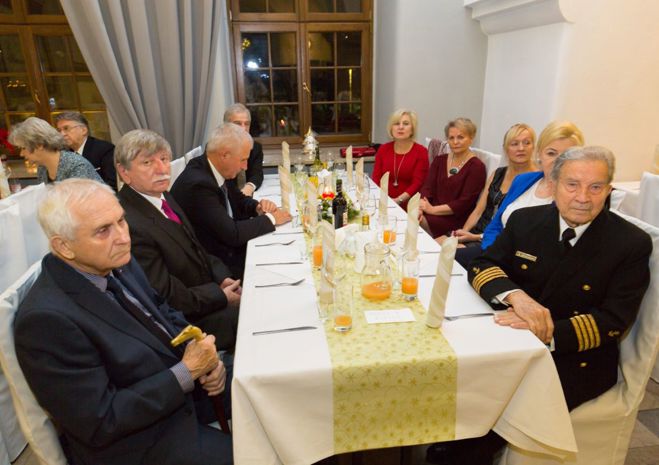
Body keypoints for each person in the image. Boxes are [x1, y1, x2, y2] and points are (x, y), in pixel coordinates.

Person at [14, 179, 233, 465]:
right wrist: (187, 371)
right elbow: (100, 420)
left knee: (272, 389)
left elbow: (164, 312)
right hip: (137, 443)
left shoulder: (117, 262)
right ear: (63, 246)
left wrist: (205, 356)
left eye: (121, 221)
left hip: (174, 394)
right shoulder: (45, 322)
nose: (123, 237)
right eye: (103, 230)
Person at [116, 129, 241, 351]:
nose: (161, 169)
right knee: (257, 317)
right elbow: (164, 295)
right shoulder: (128, 223)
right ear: (124, 172)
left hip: (203, 296)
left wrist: (223, 278)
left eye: (164, 159)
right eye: (147, 163)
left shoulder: (162, 196)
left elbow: (197, 248)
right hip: (184, 323)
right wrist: (220, 296)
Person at [171, 123, 291, 279]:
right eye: (243, 160)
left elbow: (238, 200)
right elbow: (232, 234)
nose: (245, 167)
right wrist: (272, 219)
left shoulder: (216, 167)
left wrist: (257, 208)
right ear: (224, 155)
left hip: (227, 250)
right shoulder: (199, 185)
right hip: (217, 266)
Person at [481, 120, 584, 249]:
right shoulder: (522, 180)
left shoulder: (579, 198)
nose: (558, 161)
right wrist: (491, 253)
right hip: (495, 251)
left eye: (567, 155)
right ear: (539, 153)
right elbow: (495, 226)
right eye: (551, 153)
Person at [445, 124, 537, 266]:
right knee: (437, 243)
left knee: (446, 255)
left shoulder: (536, 180)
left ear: (534, 147)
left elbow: (517, 229)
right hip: (478, 230)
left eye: (527, 143)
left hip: (497, 241)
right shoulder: (498, 173)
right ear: (506, 148)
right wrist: (464, 232)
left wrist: (474, 237)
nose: (521, 148)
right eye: (514, 144)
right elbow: (478, 211)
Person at [419, 117, 486, 238]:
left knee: (416, 222)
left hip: (455, 219)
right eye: (451, 138)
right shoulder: (439, 160)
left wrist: (432, 210)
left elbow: (464, 203)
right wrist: (420, 208)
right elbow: (427, 188)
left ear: (471, 138)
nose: (455, 142)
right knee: (412, 215)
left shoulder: (477, 167)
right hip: (430, 211)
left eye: (460, 137)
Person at [9, 117, 102, 185]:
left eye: (23, 148)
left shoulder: (76, 166)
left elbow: (83, 204)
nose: (21, 154)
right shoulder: (42, 168)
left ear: (39, 145)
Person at [371, 109, 429, 209]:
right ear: (391, 128)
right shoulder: (383, 149)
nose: (400, 127)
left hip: (410, 204)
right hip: (383, 200)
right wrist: (382, 198)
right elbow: (376, 177)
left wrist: (398, 200)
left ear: (412, 129)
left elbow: (417, 183)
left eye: (405, 124)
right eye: (397, 123)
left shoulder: (421, 152)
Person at [54, 111, 117, 190]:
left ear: (84, 130)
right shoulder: (63, 153)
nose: (62, 134)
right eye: (59, 130)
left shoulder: (104, 149)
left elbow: (111, 184)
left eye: (66, 128)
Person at [223, 103, 264, 196]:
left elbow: (257, 174)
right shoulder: (218, 148)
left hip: (246, 197)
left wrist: (249, 187)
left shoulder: (255, 147)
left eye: (247, 124)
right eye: (238, 124)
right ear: (226, 126)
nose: (243, 128)